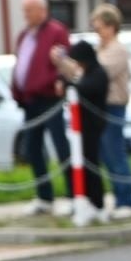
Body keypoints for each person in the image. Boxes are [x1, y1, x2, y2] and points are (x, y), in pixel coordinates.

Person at [11, 0, 73, 216]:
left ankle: (73, 195)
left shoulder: (56, 31)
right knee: (33, 149)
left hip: (49, 99)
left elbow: (65, 61)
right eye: (24, 10)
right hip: (30, 100)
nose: (25, 15)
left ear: (41, 10)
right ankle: (44, 196)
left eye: (29, 10)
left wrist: (60, 80)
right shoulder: (24, 35)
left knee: (60, 146)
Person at [50, 39, 108, 219]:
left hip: (93, 127)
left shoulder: (98, 73)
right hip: (82, 127)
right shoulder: (87, 72)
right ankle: (87, 200)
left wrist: (69, 86)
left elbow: (85, 88)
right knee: (82, 164)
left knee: (91, 165)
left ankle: (97, 204)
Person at [88, 4, 131, 219]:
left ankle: (127, 201)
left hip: (114, 106)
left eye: (99, 26)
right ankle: (117, 199)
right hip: (100, 107)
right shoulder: (101, 48)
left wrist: (83, 66)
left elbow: (99, 73)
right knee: (106, 155)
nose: (96, 31)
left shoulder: (118, 49)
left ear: (111, 26)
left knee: (116, 153)